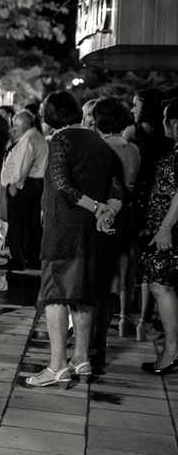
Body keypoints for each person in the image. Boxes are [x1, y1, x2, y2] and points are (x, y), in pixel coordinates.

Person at [27, 91, 123, 387]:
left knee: (55, 294)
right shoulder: (99, 142)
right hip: (92, 232)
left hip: (63, 229)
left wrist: (96, 207)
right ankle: (81, 358)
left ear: (52, 114)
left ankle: (57, 366)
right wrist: (106, 213)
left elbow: (63, 187)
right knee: (84, 294)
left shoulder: (61, 140)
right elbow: (118, 190)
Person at [87, 97, 139, 371]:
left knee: (93, 282)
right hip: (125, 217)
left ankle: (86, 344)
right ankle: (101, 343)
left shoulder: (99, 148)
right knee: (111, 283)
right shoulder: (133, 150)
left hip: (101, 213)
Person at [136, 98, 178, 374]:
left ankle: (172, 351)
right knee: (161, 283)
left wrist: (165, 227)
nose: (163, 123)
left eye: (166, 118)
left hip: (170, 228)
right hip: (164, 225)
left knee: (161, 284)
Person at [130, 87, 173, 340]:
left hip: (155, 206)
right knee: (142, 264)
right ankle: (140, 320)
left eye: (136, 104)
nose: (132, 109)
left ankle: (145, 321)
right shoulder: (137, 133)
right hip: (144, 204)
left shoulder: (162, 138)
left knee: (151, 265)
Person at [1, 110, 48, 271]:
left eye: (15, 125)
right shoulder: (38, 137)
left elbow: (22, 165)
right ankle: (33, 259)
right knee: (32, 224)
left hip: (25, 185)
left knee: (18, 225)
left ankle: (18, 259)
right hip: (36, 184)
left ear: (25, 125)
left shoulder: (28, 139)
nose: (13, 128)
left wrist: (15, 185)